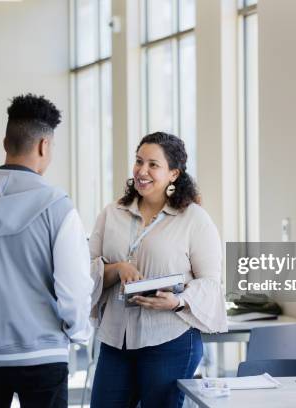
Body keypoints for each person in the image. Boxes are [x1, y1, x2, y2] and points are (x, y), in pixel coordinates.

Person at [0, 94, 93, 408]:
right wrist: (78, 332)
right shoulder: (59, 207)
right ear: (43, 146)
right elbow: (72, 287)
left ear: (5, 142)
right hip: (43, 354)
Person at [89, 132, 228, 407]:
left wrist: (178, 301)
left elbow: (211, 282)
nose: (142, 171)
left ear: (173, 173)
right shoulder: (111, 213)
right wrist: (117, 269)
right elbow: (85, 271)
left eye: (153, 164)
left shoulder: (194, 219)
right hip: (116, 340)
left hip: (170, 340)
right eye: (139, 161)